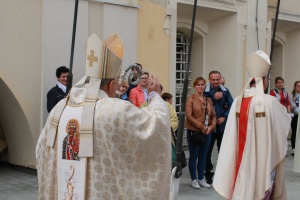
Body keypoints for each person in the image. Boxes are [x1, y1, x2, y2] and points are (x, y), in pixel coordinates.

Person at [36, 33, 171, 200]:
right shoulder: (114, 110)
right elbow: (155, 125)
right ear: (112, 83)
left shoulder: (60, 108)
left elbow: (41, 150)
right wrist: (155, 96)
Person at [213, 50, 291, 199]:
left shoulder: (237, 101)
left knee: (243, 184)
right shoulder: (270, 102)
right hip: (263, 157)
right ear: (264, 80)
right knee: (263, 184)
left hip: (241, 157)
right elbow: (283, 125)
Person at [185, 77, 216, 189]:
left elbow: (213, 116)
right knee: (194, 156)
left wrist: (211, 127)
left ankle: (201, 179)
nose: (200, 86)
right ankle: (194, 179)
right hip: (194, 132)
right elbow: (189, 116)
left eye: (202, 84)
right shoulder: (191, 99)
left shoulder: (208, 100)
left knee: (203, 156)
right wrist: (201, 127)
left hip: (207, 132)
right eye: (198, 84)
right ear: (194, 86)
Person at [204, 70, 233, 184]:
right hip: (209, 127)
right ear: (209, 79)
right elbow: (203, 105)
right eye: (213, 80)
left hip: (222, 126)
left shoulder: (225, 91)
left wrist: (224, 117)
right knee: (208, 151)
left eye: (217, 79)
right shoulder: (205, 91)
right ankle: (207, 173)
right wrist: (213, 99)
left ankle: (222, 173)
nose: (216, 82)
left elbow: (231, 105)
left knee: (223, 150)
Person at [289, 81, 300, 156]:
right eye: (298, 85)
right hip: (295, 116)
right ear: (295, 86)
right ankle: (294, 149)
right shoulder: (291, 95)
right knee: (295, 133)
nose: (299, 87)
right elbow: (292, 106)